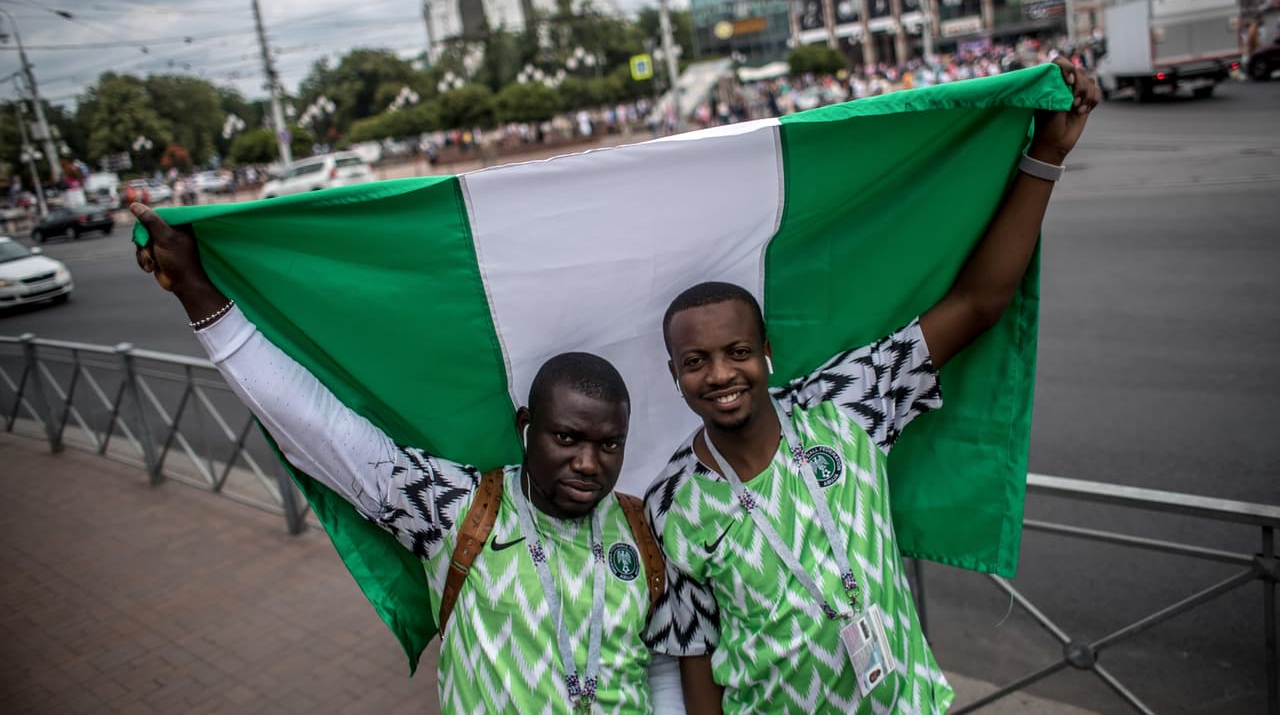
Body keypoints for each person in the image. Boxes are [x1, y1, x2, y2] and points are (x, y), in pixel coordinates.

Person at [644, 59, 1100, 713]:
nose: (720, 374)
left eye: (738, 351)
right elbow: (693, 655)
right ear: (674, 375)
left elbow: (978, 302)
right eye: (696, 361)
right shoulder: (671, 499)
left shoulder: (846, 405)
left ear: (767, 354)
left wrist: (1046, 156)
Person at [130, 203, 683, 714]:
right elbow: (316, 427)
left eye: (609, 444)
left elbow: (660, 670)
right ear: (526, 428)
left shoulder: (643, 530)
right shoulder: (460, 511)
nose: (589, 463)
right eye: (566, 439)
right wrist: (194, 290)